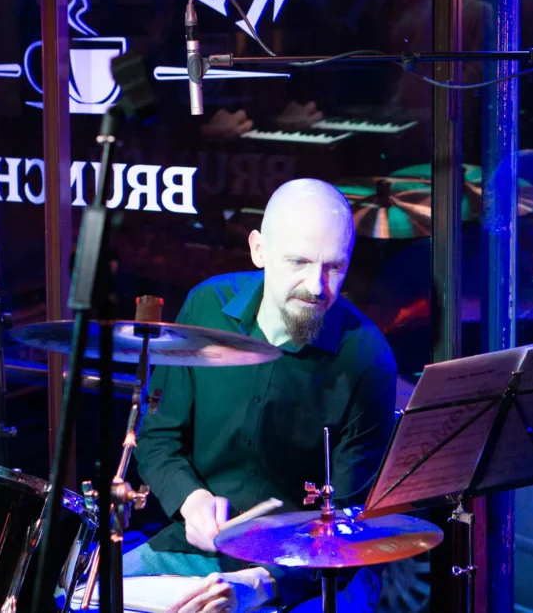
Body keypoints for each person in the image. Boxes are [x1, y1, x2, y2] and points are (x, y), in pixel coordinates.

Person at [128, 179, 419, 612]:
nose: (317, 286)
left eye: (333, 267)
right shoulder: (206, 307)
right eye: (299, 262)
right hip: (191, 553)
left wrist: (260, 583)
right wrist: (191, 501)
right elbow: (157, 437)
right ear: (258, 250)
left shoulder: (367, 359)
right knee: (71, 597)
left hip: (307, 570)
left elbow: (350, 519)